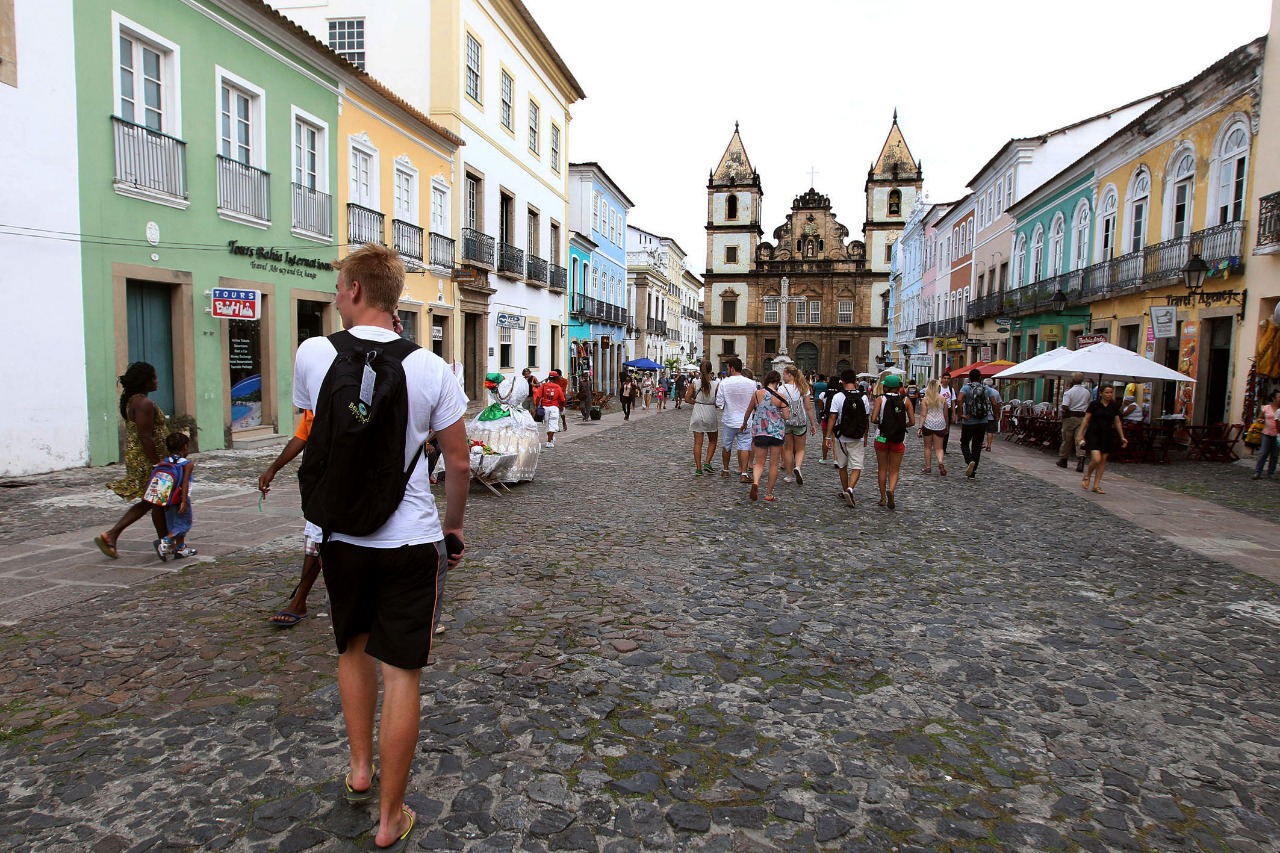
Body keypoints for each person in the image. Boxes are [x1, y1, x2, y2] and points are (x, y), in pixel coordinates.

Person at [291, 242, 469, 852]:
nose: (337, 296)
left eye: (341, 287)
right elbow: (460, 460)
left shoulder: (314, 353)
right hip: (411, 536)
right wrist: (454, 527)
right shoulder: (432, 368)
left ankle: (360, 768)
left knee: (352, 649)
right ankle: (392, 819)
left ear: (358, 291)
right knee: (404, 674)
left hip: (340, 537)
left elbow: (314, 430)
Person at [95, 362, 170, 559]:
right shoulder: (143, 403)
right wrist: (157, 464)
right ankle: (164, 543)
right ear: (145, 382)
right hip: (148, 460)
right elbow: (145, 436)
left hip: (141, 458)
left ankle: (114, 535)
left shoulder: (133, 401)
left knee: (152, 501)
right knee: (156, 501)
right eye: (153, 377)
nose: (156, 381)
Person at [258, 409, 324, 627]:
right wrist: (274, 468)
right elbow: (301, 436)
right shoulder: (313, 407)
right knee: (315, 537)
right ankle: (299, 600)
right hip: (319, 479)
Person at [742, 370, 790, 502]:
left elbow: (748, 410)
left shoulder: (757, 394)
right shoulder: (781, 397)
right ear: (777, 381)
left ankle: (756, 482)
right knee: (774, 464)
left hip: (760, 431)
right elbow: (786, 416)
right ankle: (769, 494)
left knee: (759, 462)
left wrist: (744, 423)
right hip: (776, 432)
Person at [825, 370, 871, 507]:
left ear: (842, 381)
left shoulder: (838, 396)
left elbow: (832, 417)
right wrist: (866, 435)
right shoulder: (863, 397)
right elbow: (866, 419)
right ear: (855, 381)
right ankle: (851, 488)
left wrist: (828, 436)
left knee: (842, 465)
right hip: (857, 436)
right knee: (857, 466)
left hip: (841, 436)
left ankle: (845, 490)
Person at [151, 431, 196, 560]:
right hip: (180, 498)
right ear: (185, 447)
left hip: (167, 498)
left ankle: (180, 548)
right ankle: (164, 542)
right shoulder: (187, 464)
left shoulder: (164, 462)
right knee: (184, 524)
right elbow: (185, 482)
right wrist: (183, 501)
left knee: (173, 524)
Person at [872, 374, 914, 509]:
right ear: (898, 387)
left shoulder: (880, 399)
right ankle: (891, 489)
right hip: (898, 438)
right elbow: (912, 422)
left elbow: (873, 419)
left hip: (882, 436)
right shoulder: (906, 400)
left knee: (882, 468)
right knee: (894, 470)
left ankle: (883, 497)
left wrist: (882, 423)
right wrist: (901, 426)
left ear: (885, 387)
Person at [1078, 384, 1127, 494]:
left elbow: (1117, 421)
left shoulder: (1114, 406)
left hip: (1107, 434)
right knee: (1096, 459)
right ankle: (1088, 475)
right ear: (1101, 393)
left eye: (1111, 392)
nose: (1109, 394)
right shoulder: (1094, 404)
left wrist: (1122, 436)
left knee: (1102, 461)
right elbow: (1086, 419)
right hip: (1094, 433)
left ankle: (1096, 485)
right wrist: (1080, 433)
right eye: (1107, 392)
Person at [714, 357, 757, 481]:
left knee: (727, 445)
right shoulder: (751, 383)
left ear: (732, 368)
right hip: (745, 420)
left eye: (727, 368)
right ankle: (744, 473)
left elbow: (719, 403)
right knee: (744, 446)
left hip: (729, 419)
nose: (727, 370)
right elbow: (755, 401)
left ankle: (726, 470)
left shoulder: (724, 383)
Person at [955, 368, 1000, 479]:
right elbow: (994, 403)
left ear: (969, 378)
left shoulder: (966, 388)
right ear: (980, 378)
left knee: (964, 442)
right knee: (977, 446)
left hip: (969, 421)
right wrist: (996, 415)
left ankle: (969, 460)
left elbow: (959, 399)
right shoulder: (986, 389)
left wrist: (961, 414)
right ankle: (973, 472)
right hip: (983, 421)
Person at [779, 365, 818, 484]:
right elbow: (808, 407)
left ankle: (789, 475)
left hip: (787, 421)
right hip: (800, 421)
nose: (783, 376)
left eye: (784, 374)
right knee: (800, 448)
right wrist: (813, 424)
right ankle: (798, 467)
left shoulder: (781, 388)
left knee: (788, 448)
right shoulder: (803, 387)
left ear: (789, 374)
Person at [686, 361, 720, 474]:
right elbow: (719, 401)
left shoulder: (695, 383)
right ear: (711, 370)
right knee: (713, 440)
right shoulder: (716, 385)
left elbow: (687, 399)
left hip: (698, 411)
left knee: (697, 443)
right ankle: (707, 462)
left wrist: (696, 403)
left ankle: (698, 468)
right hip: (710, 411)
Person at [1058, 372, 1091, 472]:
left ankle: (1063, 459)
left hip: (1070, 417)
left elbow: (1065, 406)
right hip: (1082, 417)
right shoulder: (1087, 392)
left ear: (1073, 380)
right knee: (1080, 438)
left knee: (1067, 439)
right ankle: (1081, 459)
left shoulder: (1069, 392)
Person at [917, 379, 949, 476]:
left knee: (927, 447)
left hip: (928, 424)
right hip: (940, 424)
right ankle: (940, 461)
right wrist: (946, 426)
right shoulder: (943, 399)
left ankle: (928, 467)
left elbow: (923, 414)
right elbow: (946, 414)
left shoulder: (925, 400)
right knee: (939, 448)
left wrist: (920, 427)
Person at [1254, 390, 1280, 479]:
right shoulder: (1266, 408)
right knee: (1263, 453)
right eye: (1279, 397)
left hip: (1277, 434)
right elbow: (1260, 418)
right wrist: (1262, 421)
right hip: (1267, 433)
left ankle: (1271, 473)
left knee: (1275, 454)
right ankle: (1258, 472)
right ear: (1274, 398)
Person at [539, 372, 566, 447]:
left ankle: (551, 438)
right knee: (553, 424)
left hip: (545, 407)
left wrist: (537, 406)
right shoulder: (557, 387)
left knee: (547, 424)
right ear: (556, 378)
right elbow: (562, 399)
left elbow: (538, 396)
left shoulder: (543, 386)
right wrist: (561, 407)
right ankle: (549, 442)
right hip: (554, 407)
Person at [938, 373, 955, 456]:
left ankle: (944, 448)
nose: (946, 380)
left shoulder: (951, 389)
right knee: (938, 427)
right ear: (942, 379)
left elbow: (953, 401)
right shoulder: (938, 388)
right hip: (939, 409)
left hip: (948, 409)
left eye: (948, 378)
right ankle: (938, 446)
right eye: (944, 378)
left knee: (947, 429)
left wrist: (954, 414)